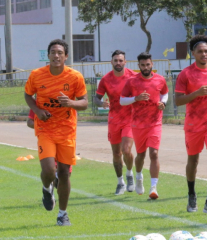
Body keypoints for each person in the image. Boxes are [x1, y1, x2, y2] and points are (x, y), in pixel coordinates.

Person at [24, 39, 88, 226]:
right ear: (48, 55)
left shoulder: (75, 77)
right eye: (53, 52)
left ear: (66, 56)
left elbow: (84, 102)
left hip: (67, 131)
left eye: (60, 52)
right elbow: (28, 95)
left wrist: (71, 103)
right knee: (49, 169)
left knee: (65, 174)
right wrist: (37, 111)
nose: (56, 55)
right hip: (46, 129)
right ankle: (46, 188)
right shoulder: (37, 75)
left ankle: (62, 214)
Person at [174, 35, 207, 215]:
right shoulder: (186, 74)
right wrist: (196, 93)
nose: (204, 54)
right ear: (193, 53)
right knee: (193, 160)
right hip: (193, 123)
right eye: (200, 51)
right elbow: (178, 100)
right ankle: (191, 194)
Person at [120, 52, 169, 200]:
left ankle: (153, 187)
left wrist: (163, 103)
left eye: (148, 64)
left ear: (152, 64)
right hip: (138, 124)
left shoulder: (160, 79)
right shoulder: (132, 81)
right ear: (138, 66)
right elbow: (122, 100)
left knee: (154, 154)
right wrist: (136, 98)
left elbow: (165, 94)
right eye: (143, 65)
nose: (146, 67)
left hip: (155, 122)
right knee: (140, 155)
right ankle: (139, 176)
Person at [94, 50, 136, 195]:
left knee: (126, 150)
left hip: (130, 119)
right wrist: (101, 103)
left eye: (120, 60)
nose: (118, 63)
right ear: (111, 62)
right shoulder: (106, 79)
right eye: (115, 60)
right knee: (117, 154)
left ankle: (130, 174)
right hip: (114, 120)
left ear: (125, 62)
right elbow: (96, 98)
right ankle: (120, 182)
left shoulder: (133, 76)